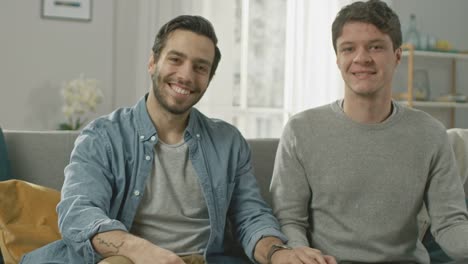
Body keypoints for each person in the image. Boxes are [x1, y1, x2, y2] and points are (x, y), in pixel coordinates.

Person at [20, 15, 297, 264]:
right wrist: (140, 250)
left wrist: (277, 253)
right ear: (153, 62)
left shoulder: (229, 142)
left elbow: (251, 218)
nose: (186, 75)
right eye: (176, 59)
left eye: (200, 67)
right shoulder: (103, 136)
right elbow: (78, 212)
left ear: (209, 79)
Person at [270, 0, 468, 263]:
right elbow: (289, 219)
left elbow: (449, 224)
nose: (361, 58)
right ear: (338, 59)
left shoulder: (430, 133)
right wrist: (301, 255)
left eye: (375, 47)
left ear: (397, 56)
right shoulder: (300, 130)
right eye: (348, 49)